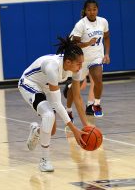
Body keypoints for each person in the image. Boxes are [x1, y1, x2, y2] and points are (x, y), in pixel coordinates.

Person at [18, 36, 89, 172]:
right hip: (29, 83)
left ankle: (36, 131)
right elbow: (57, 103)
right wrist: (74, 129)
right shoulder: (52, 67)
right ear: (68, 62)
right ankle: (44, 160)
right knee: (49, 115)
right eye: (79, 63)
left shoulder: (75, 69)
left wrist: (86, 127)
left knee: (52, 130)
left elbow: (77, 97)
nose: (81, 67)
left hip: (47, 87)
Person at [64, 0, 110, 117]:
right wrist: (87, 43)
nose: (92, 12)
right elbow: (73, 44)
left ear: (97, 10)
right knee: (76, 87)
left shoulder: (103, 21)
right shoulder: (81, 24)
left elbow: (106, 37)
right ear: (85, 11)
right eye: (89, 10)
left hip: (96, 58)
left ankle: (97, 104)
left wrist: (107, 54)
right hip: (81, 60)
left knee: (98, 79)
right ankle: (68, 109)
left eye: (94, 9)